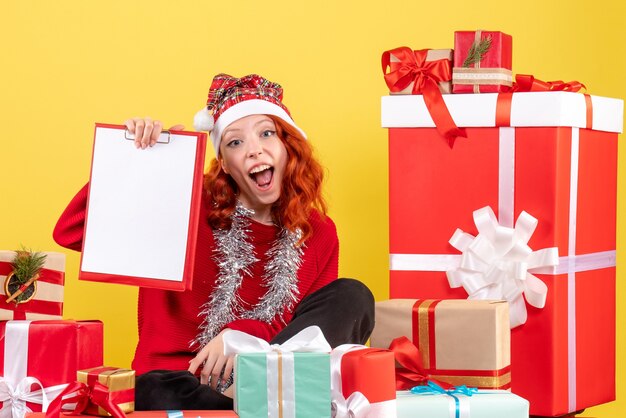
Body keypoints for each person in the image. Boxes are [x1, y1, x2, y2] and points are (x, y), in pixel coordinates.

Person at [53, 73, 375, 410]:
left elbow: (310, 333)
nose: (254, 150)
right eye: (235, 142)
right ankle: (262, 401)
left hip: (264, 371)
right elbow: (71, 231)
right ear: (224, 163)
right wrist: (143, 164)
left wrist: (242, 337)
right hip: (183, 379)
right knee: (150, 389)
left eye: (267, 133)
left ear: (287, 145)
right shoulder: (187, 202)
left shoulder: (318, 231)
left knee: (353, 296)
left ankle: (258, 391)